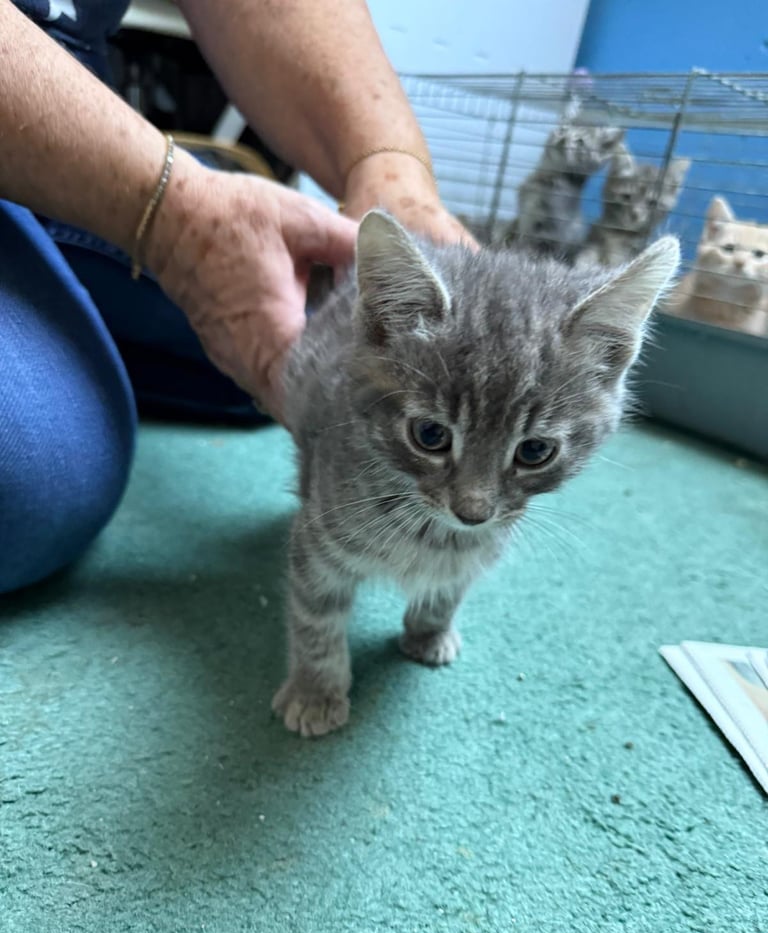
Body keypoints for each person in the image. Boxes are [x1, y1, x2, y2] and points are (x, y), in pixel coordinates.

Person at [0, 0, 474, 595]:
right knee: (32, 483)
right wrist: (179, 223)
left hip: (75, 108)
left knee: (283, 352)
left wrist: (390, 171)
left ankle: (68, 320)